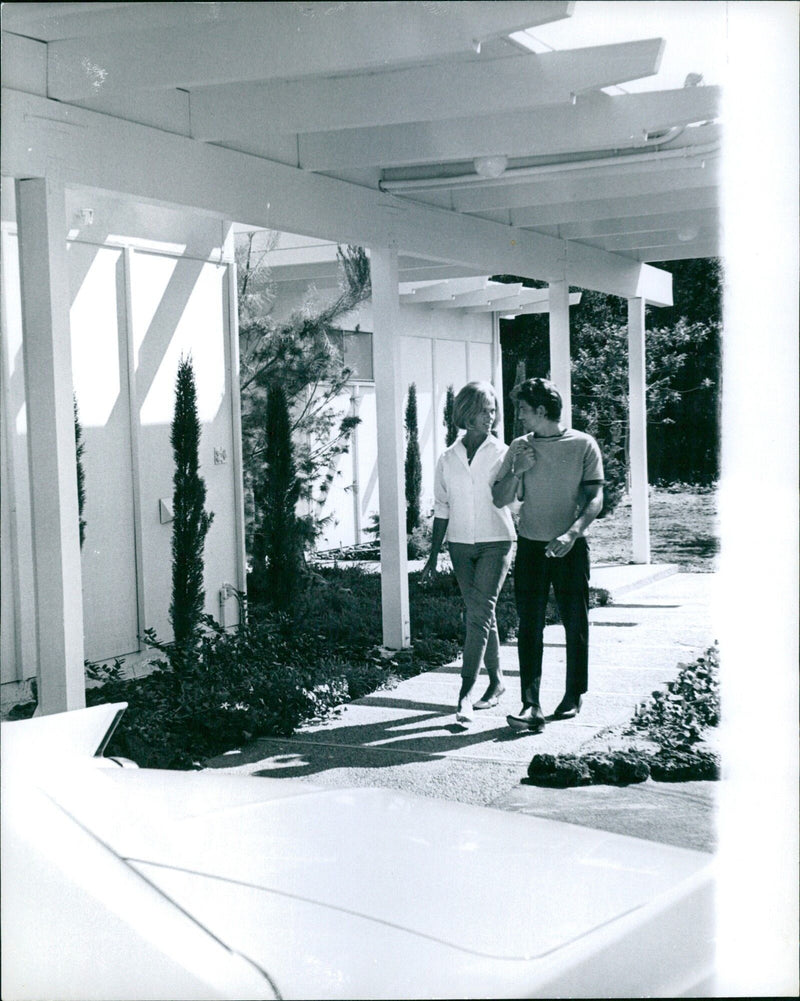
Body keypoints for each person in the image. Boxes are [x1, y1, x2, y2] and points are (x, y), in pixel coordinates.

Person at [492, 378, 604, 733]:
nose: (519, 417)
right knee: (529, 626)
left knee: (575, 622)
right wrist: (516, 470)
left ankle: (573, 695)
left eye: (523, 409)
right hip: (530, 546)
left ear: (541, 410)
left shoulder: (583, 445)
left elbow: (594, 499)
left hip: (570, 546)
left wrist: (573, 533)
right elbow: (499, 498)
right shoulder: (519, 447)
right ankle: (530, 704)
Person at [420, 381, 516, 724]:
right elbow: (442, 508)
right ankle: (498, 683)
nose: (489, 416)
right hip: (460, 545)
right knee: (478, 614)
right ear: (466, 413)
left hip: (497, 541)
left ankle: (465, 695)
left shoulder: (504, 453)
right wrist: (432, 556)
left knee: (478, 614)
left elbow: (514, 501)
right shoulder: (448, 458)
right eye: (482, 410)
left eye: (492, 410)